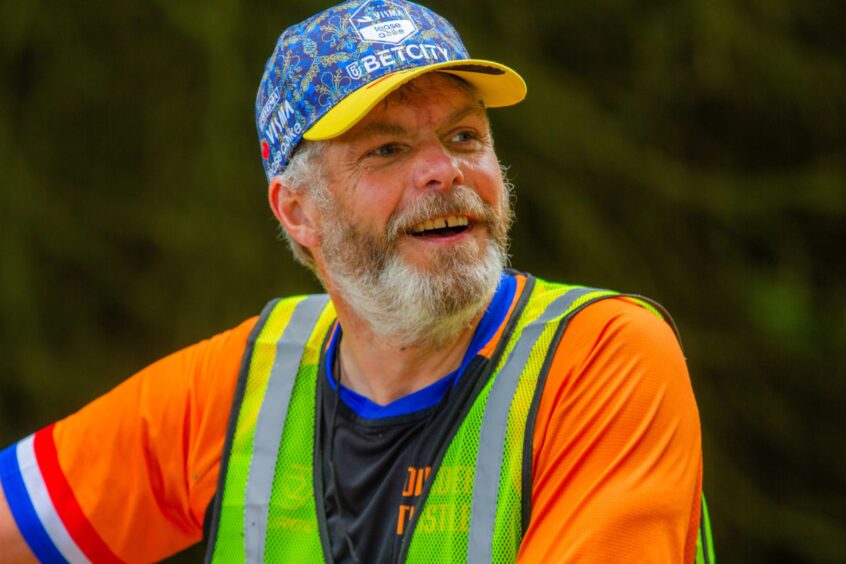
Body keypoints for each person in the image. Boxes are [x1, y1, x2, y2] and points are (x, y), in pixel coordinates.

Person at [0, 0, 715, 562]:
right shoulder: (248, 385)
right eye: (388, 149)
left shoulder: (601, 358)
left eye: (466, 137)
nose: (444, 171)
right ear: (298, 211)